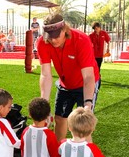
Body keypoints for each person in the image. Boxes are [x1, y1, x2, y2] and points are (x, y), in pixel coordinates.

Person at [37, 13, 100, 142]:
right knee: (59, 119)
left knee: (82, 124)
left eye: (56, 36)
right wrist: (44, 105)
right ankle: (57, 155)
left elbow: (88, 76)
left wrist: (88, 104)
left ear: (64, 29)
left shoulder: (81, 40)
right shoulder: (42, 43)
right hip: (65, 84)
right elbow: (46, 74)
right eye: (50, 37)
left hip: (85, 83)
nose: (53, 40)